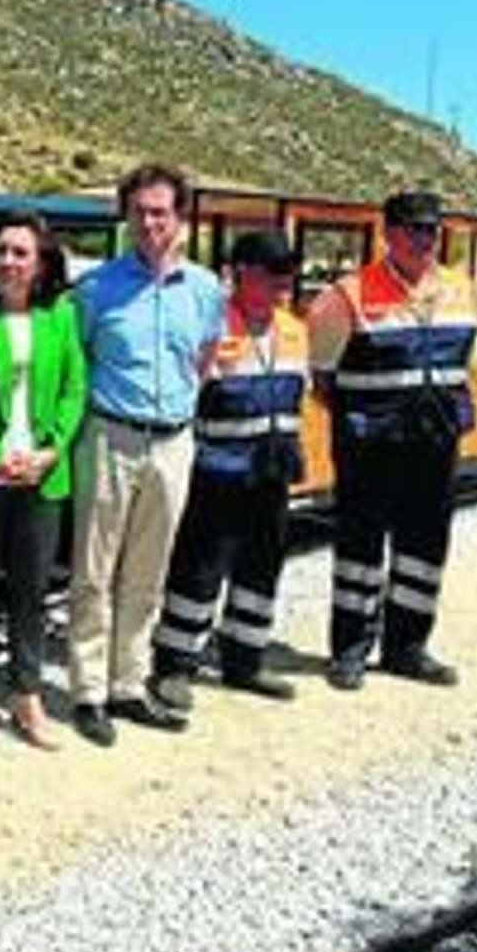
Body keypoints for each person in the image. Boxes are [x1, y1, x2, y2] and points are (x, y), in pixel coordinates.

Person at [67, 162, 225, 746]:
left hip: (173, 442)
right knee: (93, 570)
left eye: (160, 212)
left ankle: (128, 685)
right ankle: (88, 692)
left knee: (148, 572)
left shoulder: (205, 290)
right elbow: (79, 360)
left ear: (180, 218)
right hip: (111, 437)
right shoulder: (96, 289)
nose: (149, 222)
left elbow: (203, 360)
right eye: (139, 212)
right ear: (126, 217)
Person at [307, 190, 477, 690]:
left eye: (431, 229)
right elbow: (322, 381)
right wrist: (371, 415)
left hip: (435, 443)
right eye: (413, 229)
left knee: (424, 547)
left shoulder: (461, 289)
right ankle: (350, 650)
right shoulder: (346, 295)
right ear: (388, 233)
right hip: (371, 447)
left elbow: (471, 368)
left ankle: (408, 648)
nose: (424, 239)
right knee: (360, 545)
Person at [147, 229, 309, 716]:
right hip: (217, 473)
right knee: (200, 568)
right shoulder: (210, 327)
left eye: (288, 276)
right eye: (274, 276)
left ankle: (245, 660)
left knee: (262, 566)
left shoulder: (293, 328)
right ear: (242, 274)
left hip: (271, 473)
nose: (284, 286)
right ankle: (175, 666)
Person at [0, 212, 86, 751]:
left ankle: (27, 694)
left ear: (41, 262)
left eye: (20, 252)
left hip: (42, 476)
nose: (8, 261)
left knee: (31, 590)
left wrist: (51, 452)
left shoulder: (61, 317)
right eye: (0, 251)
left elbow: (75, 389)